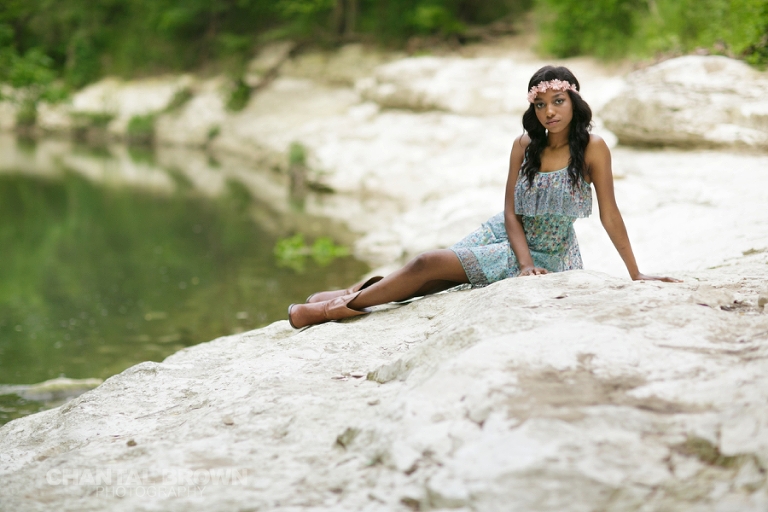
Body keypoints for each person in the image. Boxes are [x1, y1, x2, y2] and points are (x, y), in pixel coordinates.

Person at [288, 65, 680, 329]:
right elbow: (510, 210)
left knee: (427, 262)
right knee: (433, 277)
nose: (549, 112)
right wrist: (521, 261)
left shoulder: (594, 148)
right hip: (505, 234)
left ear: (574, 102)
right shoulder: (524, 144)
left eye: (558, 102)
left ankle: (330, 309)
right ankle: (352, 294)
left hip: (549, 253)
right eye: (540, 104)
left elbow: (611, 214)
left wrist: (636, 273)